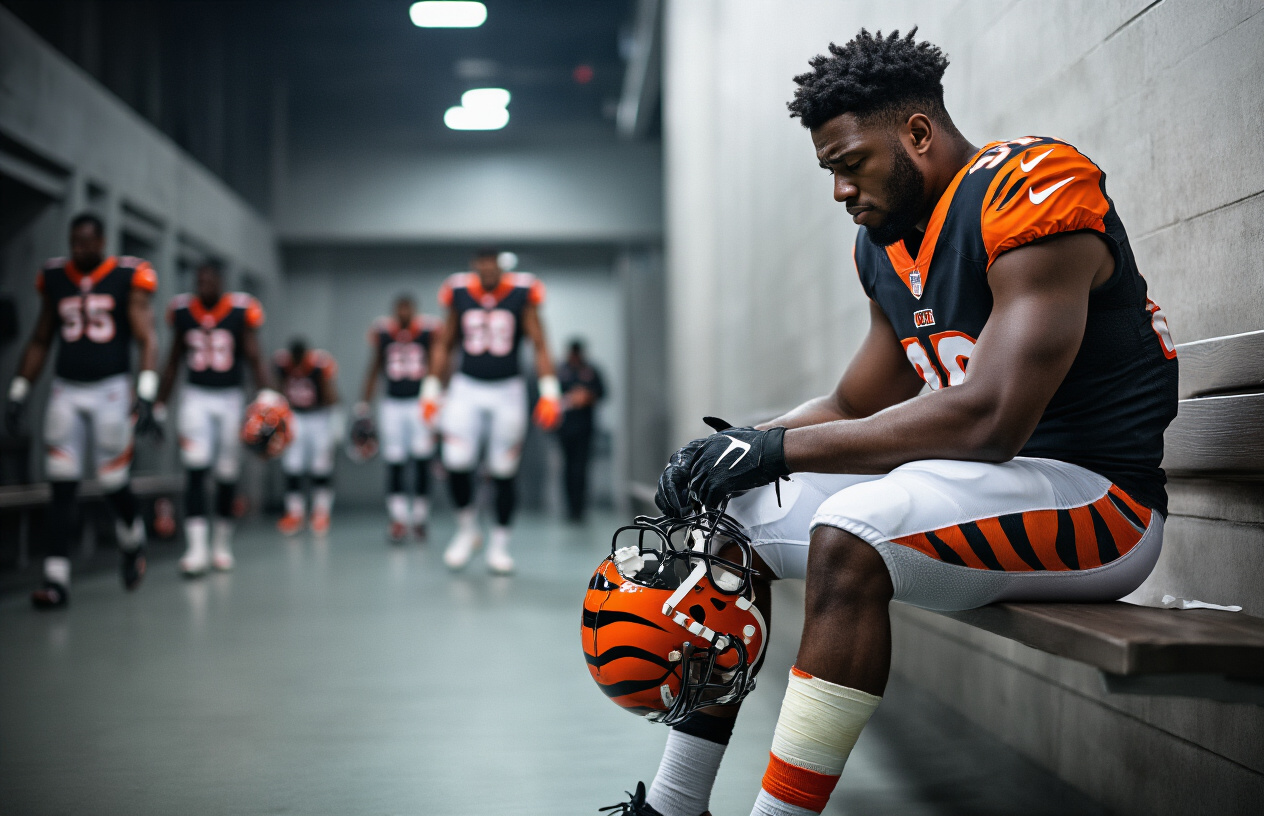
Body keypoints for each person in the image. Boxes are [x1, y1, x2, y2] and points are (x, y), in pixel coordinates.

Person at [604, 29, 1178, 816]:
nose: (840, 191)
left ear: (916, 133)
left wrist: (777, 448)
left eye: (849, 164)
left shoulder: (1033, 183)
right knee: (726, 526)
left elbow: (990, 422)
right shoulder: (885, 243)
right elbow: (849, 405)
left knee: (851, 529)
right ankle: (672, 806)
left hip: (1100, 504)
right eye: (829, 171)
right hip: (979, 487)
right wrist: (733, 450)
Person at [4, 213, 162, 609]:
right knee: (62, 483)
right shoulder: (55, 278)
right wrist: (19, 390)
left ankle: (132, 535)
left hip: (111, 389)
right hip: (66, 390)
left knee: (112, 481)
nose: (79, 249)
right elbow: (41, 338)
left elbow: (146, 337)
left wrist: (145, 393)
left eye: (87, 242)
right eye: (74, 242)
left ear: (103, 241)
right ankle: (56, 579)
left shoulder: (128, 275)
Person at [422, 249, 562, 575]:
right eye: (481, 263)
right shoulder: (458, 291)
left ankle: (499, 545)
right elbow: (445, 342)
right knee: (455, 461)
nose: (487, 269)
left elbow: (539, 342)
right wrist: (430, 388)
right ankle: (467, 529)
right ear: (474, 266)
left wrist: (550, 391)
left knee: (504, 469)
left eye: (492, 263)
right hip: (465, 387)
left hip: (508, 389)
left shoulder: (522, 292)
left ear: (500, 266)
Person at [157, 261, 274, 575]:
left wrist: (268, 394)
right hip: (195, 396)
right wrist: (159, 404)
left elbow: (253, 355)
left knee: (226, 473)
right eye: (199, 280)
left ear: (221, 282)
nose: (203, 285)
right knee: (195, 469)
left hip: (230, 399)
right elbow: (172, 361)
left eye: (209, 280)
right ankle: (195, 548)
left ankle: (221, 544)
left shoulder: (239, 311)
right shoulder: (182, 311)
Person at [358, 294, 441, 543]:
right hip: (392, 403)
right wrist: (364, 403)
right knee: (395, 461)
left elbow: (439, 363)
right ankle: (398, 518)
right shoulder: (383, 332)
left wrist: (438, 397)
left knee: (422, 460)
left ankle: (420, 517)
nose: (404, 313)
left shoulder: (429, 331)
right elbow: (374, 366)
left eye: (408, 308)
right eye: (400, 309)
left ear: (414, 310)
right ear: (395, 310)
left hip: (420, 403)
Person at [274, 338, 339, 535]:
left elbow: (331, 396)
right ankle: (295, 513)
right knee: (292, 466)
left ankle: (321, 512)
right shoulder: (282, 363)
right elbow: (278, 390)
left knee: (321, 466)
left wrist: (335, 421)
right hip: (294, 416)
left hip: (318, 417)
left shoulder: (319, 364)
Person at [556, 339, 605, 522]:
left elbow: (603, 393)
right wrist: (569, 398)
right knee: (567, 469)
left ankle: (580, 509)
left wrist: (586, 397)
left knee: (582, 469)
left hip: (585, 429)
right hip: (565, 428)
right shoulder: (560, 371)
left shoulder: (591, 371)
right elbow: (550, 396)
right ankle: (569, 509)